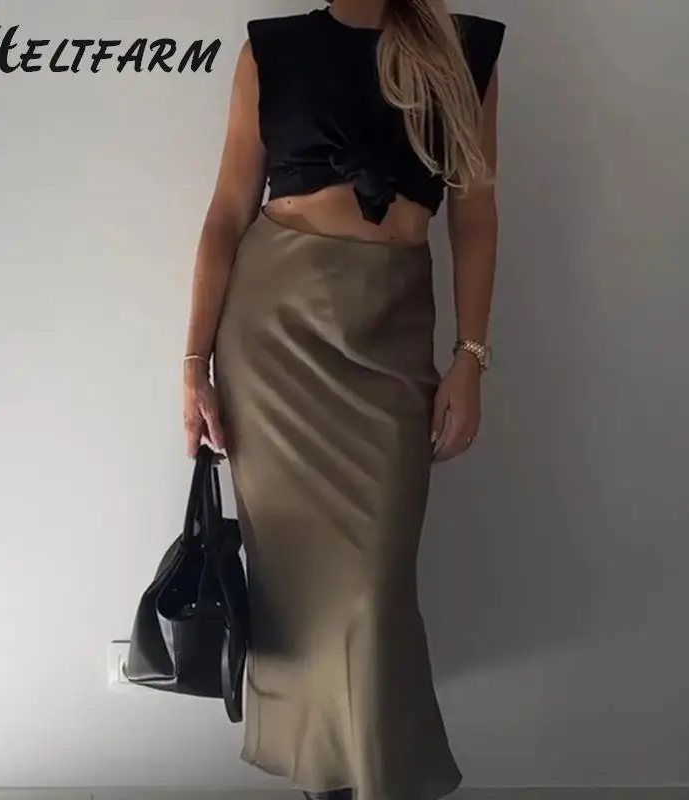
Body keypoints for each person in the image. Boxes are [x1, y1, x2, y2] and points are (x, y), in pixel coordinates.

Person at [182, 1, 505, 798]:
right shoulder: (272, 49)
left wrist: (470, 358)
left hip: (391, 337)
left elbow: (474, 213)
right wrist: (194, 364)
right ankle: (329, 785)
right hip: (275, 344)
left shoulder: (464, 49)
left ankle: (367, 777)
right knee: (297, 601)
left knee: (373, 595)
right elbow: (227, 213)